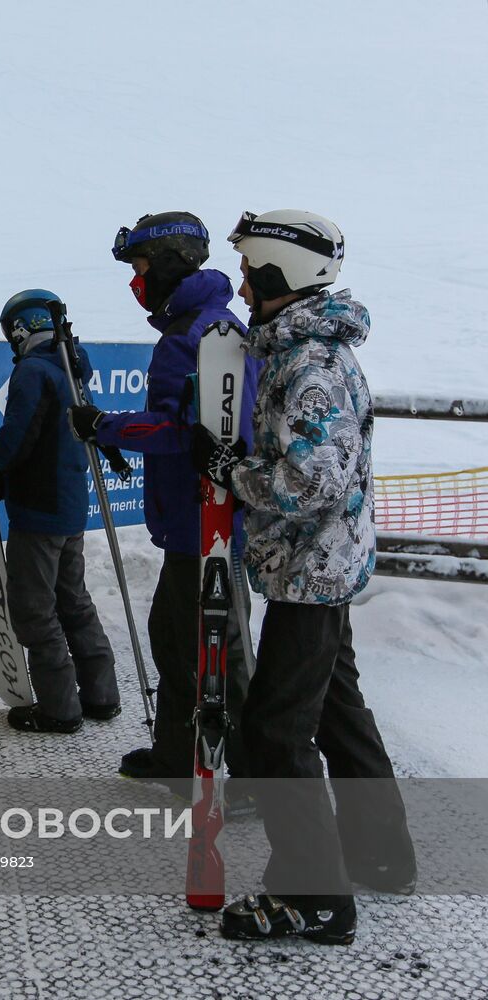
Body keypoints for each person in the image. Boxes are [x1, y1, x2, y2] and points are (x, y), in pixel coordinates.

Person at [193, 209, 416, 944]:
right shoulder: (306, 348)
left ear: (273, 274)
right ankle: (380, 856)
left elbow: (308, 481)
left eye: (248, 274)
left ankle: (312, 895)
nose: (242, 288)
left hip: (309, 571)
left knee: (276, 732)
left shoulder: (309, 363)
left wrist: (234, 472)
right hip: (319, 564)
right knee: (336, 712)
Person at [67, 212, 257, 791]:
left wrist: (107, 426)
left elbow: (183, 432)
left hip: (204, 520)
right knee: (177, 639)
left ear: (170, 264)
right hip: (204, 518)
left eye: (142, 267)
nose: (136, 281)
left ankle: (250, 777)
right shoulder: (216, 325)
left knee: (215, 650)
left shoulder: (189, 337)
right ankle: (179, 752)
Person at [0, 289, 120, 734]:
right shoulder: (71, 366)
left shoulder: (33, 372)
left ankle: (59, 709)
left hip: (39, 509)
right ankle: (100, 695)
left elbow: (16, 444)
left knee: (35, 608)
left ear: (20, 328)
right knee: (73, 600)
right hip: (70, 504)